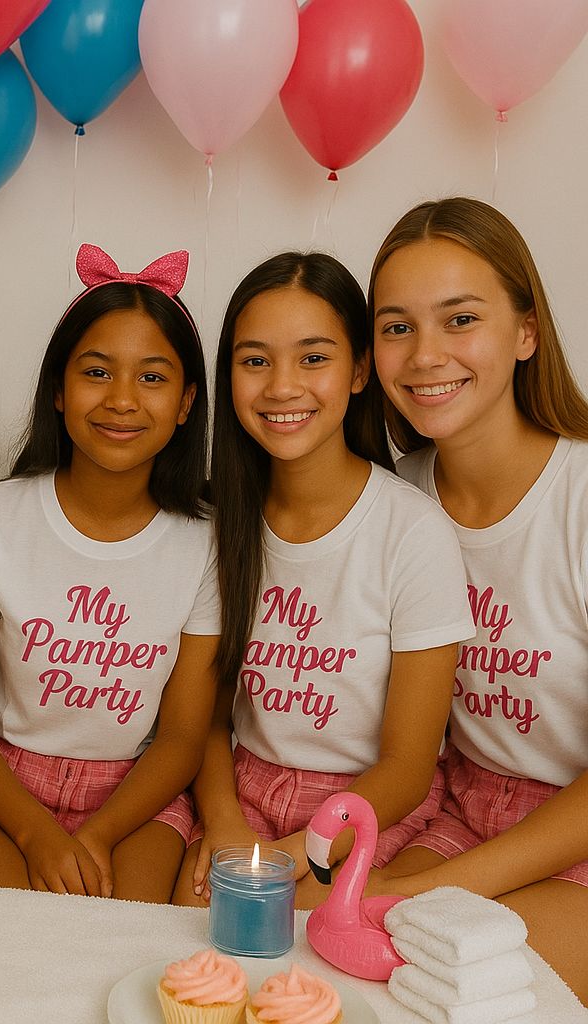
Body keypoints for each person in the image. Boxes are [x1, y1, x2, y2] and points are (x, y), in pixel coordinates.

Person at [174, 252, 472, 909]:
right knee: (194, 938)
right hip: (241, 794)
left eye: (313, 358)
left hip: (367, 807)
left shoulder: (412, 531)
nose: (282, 387)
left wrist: (297, 850)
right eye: (255, 360)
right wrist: (223, 821)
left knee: (300, 943)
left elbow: (408, 767)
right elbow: (209, 720)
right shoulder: (220, 522)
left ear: (360, 369)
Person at [0, 244, 219, 902]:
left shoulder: (204, 543)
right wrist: (36, 834)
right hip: (4, 786)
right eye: (97, 372)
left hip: (137, 792)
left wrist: (99, 832)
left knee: (125, 939)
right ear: (58, 390)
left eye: (152, 377)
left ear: (185, 402)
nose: (122, 399)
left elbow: (180, 737)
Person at [368, 197, 588, 1000]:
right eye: (396, 327)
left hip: (571, 827)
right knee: (351, 966)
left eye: (460, 320)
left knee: (484, 994)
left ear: (527, 331)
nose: (426, 356)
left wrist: (434, 891)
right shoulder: (393, 501)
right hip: (456, 809)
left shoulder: (579, 495)